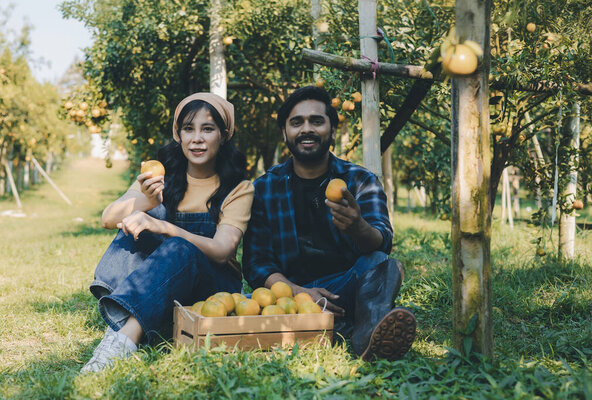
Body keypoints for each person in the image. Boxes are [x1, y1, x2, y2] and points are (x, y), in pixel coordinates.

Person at [81, 93, 254, 373]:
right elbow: (108, 218)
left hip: (214, 289)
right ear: (178, 135)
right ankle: (135, 320)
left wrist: (165, 227)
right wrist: (148, 203)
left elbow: (223, 251)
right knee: (139, 217)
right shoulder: (160, 177)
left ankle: (122, 338)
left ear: (223, 136)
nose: (196, 138)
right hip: (164, 285)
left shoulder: (238, 187)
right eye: (188, 128)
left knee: (178, 245)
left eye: (207, 129)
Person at [242, 86, 416, 361]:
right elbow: (256, 263)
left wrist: (358, 225)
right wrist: (302, 293)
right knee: (374, 280)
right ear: (285, 133)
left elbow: (382, 240)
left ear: (332, 131)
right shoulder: (265, 188)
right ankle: (359, 323)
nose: (306, 129)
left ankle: (366, 335)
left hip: (345, 291)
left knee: (381, 263)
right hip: (292, 297)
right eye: (297, 122)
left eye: (317, 121)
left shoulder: (360, 180)